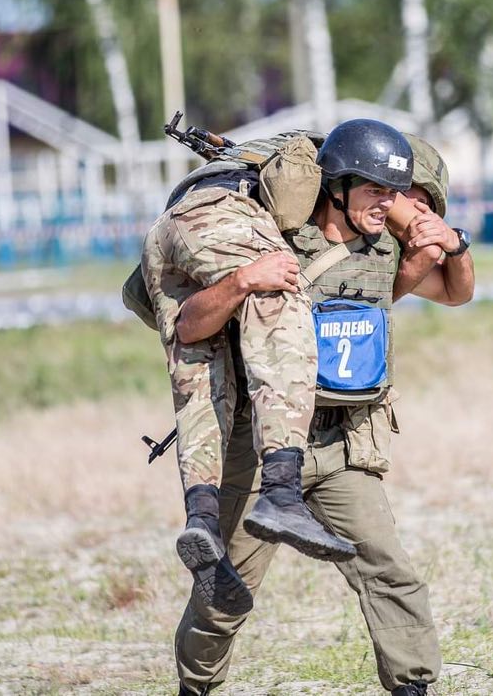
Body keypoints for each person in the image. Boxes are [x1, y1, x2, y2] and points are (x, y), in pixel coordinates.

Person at [170, 119, 475, 696]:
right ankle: (196, 688)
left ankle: (414, 686)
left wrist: (452, 241)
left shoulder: (383, 252)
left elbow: (457, 290)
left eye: (398, 194)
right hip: (259, 449)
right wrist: (241, 282)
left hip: (338, 447)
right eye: (378, 192)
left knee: (390, 572)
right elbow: (188, 327)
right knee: (224, 594)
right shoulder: (265, 243)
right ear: (336, 187)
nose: (392, 206)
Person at [139, 134, 358, 619]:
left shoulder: (231, 161)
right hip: (223, 213)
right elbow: (290, 196)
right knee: (280, 290)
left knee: (199, 367)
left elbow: (178, 325)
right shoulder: (309, 150)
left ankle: (202, 520)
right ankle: (281, 490)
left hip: (163, 233)